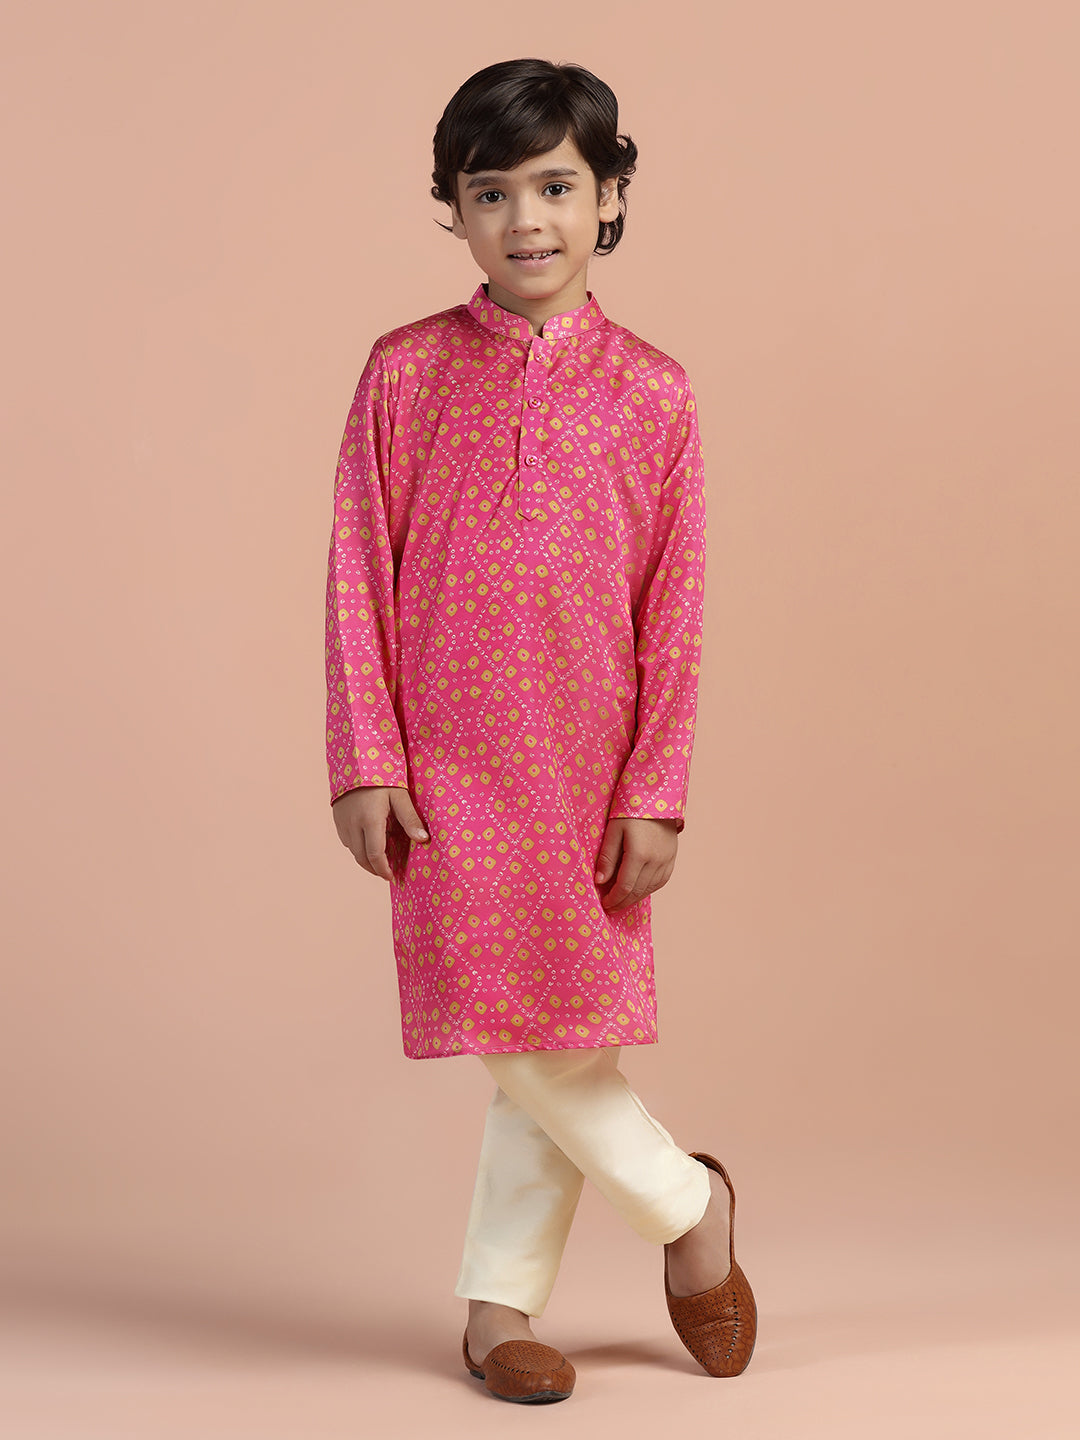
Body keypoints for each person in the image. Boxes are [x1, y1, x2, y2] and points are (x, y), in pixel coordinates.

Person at [325, 57, 756, 1404]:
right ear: (453, 207)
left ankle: (498, 1310)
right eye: (492, 192)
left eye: (557, 187)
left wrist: (656, 788)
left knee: (561, 1036)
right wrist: (365, 758)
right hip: (446, 767)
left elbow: (676, 607)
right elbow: (355, 573)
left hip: (589, 765)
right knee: (516, 1030)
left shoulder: (654, 391)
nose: (527, 221)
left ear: (608, 194)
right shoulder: (404, 373)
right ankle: (690, 1208)